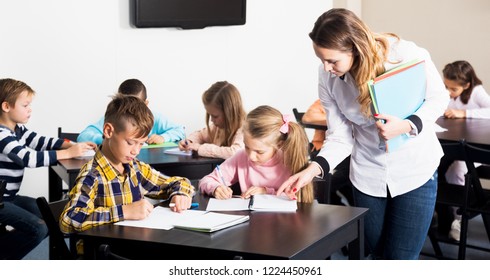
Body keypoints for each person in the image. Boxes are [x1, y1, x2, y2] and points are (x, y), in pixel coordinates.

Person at [277, 8, 449, 259]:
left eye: (332, 61)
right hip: (368, 172)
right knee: (373, 252)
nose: (326, 67)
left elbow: (438, 98)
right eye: (321, 59)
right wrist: (312, 169)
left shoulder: (405, 54)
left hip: (415, 169)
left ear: (355, 48)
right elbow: (340, 135)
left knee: (399, 259)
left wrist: (407, 124)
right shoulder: (327, 76)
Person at [60, 95, 195, 234]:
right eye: (130, 142)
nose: (136, 150)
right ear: (108, 131)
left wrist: (180, 194)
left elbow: (179, 182)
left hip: (132, 243)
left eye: (141, 143)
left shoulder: (134, 167)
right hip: (104, 252)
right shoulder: (91, 176)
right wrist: (123, 211)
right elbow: (69, 220)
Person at [0, 78, 95, 259]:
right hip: (2, 200)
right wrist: (68, 154)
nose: (30, 109)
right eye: (25, 105)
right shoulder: (1, 134)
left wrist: (72, 145)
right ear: (6, 107)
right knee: (39, 228)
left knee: (53, 218)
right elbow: (27, 158)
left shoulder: (17, 129)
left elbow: (41, 141)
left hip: (9, 198)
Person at [199, 105, 314, 203]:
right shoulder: (241, 157)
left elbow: (297, 200)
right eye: (247, 147)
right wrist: (216, 188)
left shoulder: (290, 161)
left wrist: (266, 192)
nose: (251, 156)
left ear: (279, 144)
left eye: (259, 152)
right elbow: (205, 181)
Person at [441, 60, 490, 241]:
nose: (449, 92)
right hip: (456, 143)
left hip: (475, 148)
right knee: (439, 167)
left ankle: (459, 219)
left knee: (458, 171)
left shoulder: (476, 92)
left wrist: (465, 114)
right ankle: (445, 216)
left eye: (453, 89)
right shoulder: (448, 92)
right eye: (446, 86)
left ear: (467, 85)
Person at [77, 78, 185, 145]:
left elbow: (180, 130)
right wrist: (110, 140)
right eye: (124, 105)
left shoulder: (155, 117)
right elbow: (83, 136)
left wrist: (163, 138)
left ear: (146, 104)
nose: (130, 111)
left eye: (136, 105)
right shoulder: (114, 118)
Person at [303, 99, 352, 206]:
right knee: (350, 168)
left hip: (353, 151)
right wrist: (338, 120)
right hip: (323, 148)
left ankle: (339, 191)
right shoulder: (327, 99)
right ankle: (331, 191)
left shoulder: (355, 102)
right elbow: (307, 117)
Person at [178, 81, 246, 159]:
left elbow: (235, 152)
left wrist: (200, 148)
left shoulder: (245, 128)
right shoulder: (217, 127)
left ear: (229, 113)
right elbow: (200, 135)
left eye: (215, 116)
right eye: (210, 115)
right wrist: (190, 142)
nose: (211, 120)